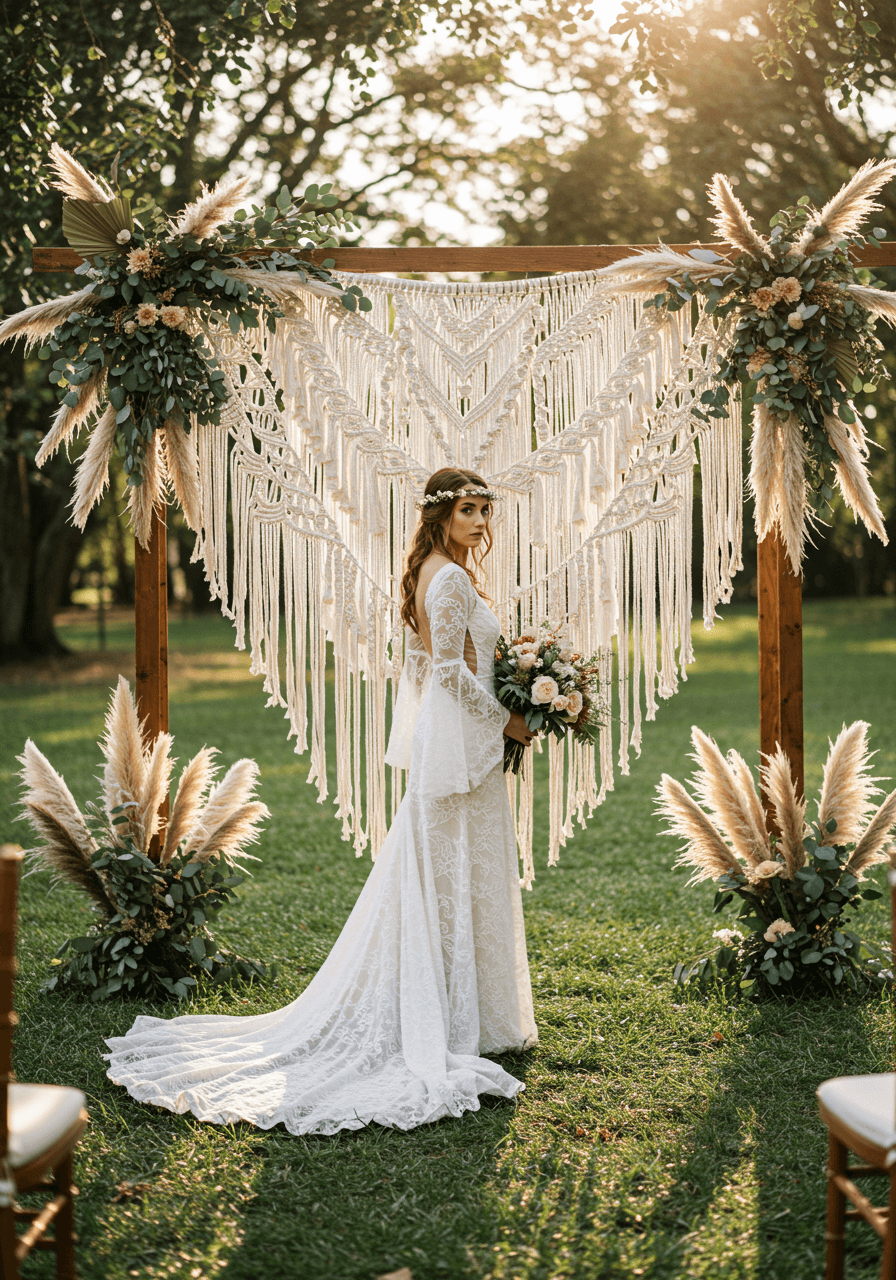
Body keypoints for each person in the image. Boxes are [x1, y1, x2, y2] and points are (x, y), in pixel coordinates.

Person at [104, 466, 538, 1135]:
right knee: (448, 877)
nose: (481, 523)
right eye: (469, 512)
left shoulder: (434, 569)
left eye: (486, 511)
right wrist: (512, 719)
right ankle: (446, 1017)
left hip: (454, 750)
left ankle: (463, 1012)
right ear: (441, 517)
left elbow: (429, 669)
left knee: (448, 878)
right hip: (460, 751)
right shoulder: (447, 578)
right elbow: (447, 672)